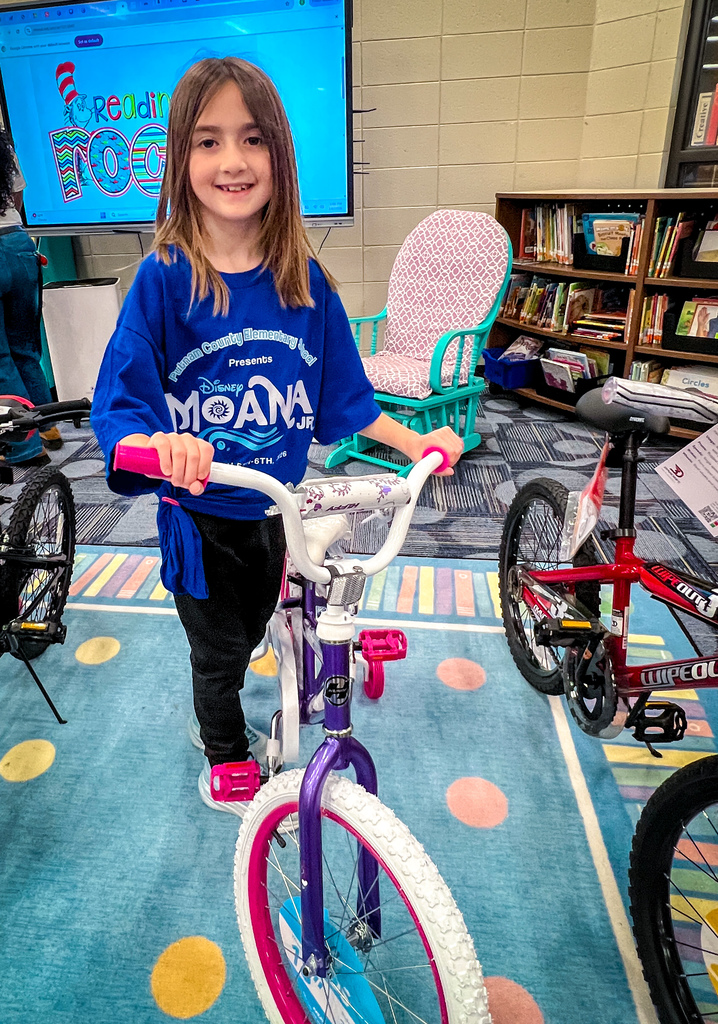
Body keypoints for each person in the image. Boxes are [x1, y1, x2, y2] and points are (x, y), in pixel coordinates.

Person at [91, 56, 463, 817]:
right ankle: (224, 747)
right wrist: (160, 448)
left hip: (274, 510)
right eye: (208, 141)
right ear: (180, 158)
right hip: (201, 520)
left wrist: (415, 441)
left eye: (252, 139)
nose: (232, 160)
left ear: (278, 156)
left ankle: (242, 676)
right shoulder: (164, 280)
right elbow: (120, 407)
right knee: (220, 651)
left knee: (261, 619)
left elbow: (344, 401)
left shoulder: (305, 280)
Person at [0, 130, 61, 465]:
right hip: (19, 243)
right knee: (25, 349)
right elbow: (18, 197)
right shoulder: (4, 146)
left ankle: (24, 446)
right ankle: (48, 425)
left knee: (0, 358)